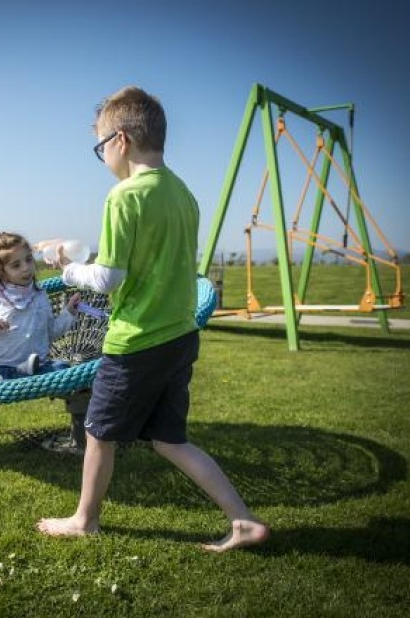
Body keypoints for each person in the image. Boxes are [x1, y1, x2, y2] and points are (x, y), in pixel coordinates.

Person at [36, 87, 269, 552]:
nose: (101, 156)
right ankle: (243, 521)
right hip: (180, 336)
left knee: (99, 433)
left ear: (120, 140)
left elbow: (107, 278)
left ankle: (84, 520)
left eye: (100, 147)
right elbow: (149, 263)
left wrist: (66, 266)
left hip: (136, 340)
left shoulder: (122, 197)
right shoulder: (182, 194)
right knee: (169, 439)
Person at [0, 230, 80, 382]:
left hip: (37, 366)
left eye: (28, 260)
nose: (26, 268)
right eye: (16, 265)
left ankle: (23, 371)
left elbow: (50, 332)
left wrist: (69, 312)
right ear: (2, 272)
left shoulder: (40, 295)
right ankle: (9, 376)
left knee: (62, 367)